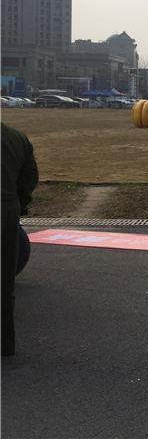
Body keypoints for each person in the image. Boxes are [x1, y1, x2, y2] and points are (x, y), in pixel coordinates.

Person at [1, 123, 39, 357]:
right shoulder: (17, 137)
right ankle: (5, 344)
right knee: (5, 283)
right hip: (7, 212)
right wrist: (18, 203)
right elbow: (30, 176)